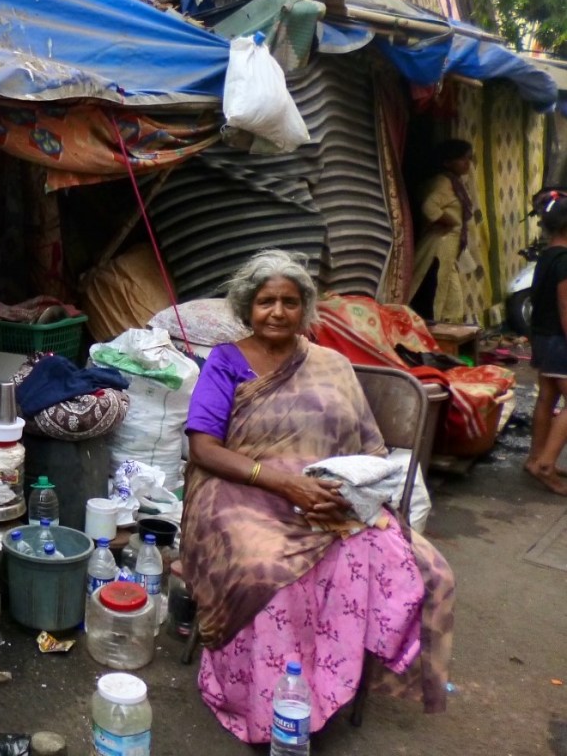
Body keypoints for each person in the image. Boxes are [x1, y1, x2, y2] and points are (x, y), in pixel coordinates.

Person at [179, 248, 455, 744]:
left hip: (327, 496)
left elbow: (367, 450)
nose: (278, 312)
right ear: (247, 307)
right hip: (238, 488)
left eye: (289, 301)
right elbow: (203, 448)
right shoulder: (226, 362)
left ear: (304, 307)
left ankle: (329, 682)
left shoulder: (330, 364)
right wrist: (285, 483)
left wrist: (345, 499)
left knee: (417, 564)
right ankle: (271, 710)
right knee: (269, 571)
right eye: (266, 301)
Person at [409, 138, 479, 323]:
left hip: (450, 249)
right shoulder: (443, 182)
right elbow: (429, 207)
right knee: (438, 290)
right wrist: (450, 220)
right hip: (440, 245)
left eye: (469, 159)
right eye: (463, 159)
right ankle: (434, 334)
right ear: (448, 162)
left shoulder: (454, 182)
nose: (467, 164)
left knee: (452, 297)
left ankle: (447, 335)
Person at [525, 191, 567, 495]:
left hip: (541, 335)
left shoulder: (547, 256)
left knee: (547, 397)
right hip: (558, 338)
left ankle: (535, 458)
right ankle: (546, 465)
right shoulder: (565, 260)